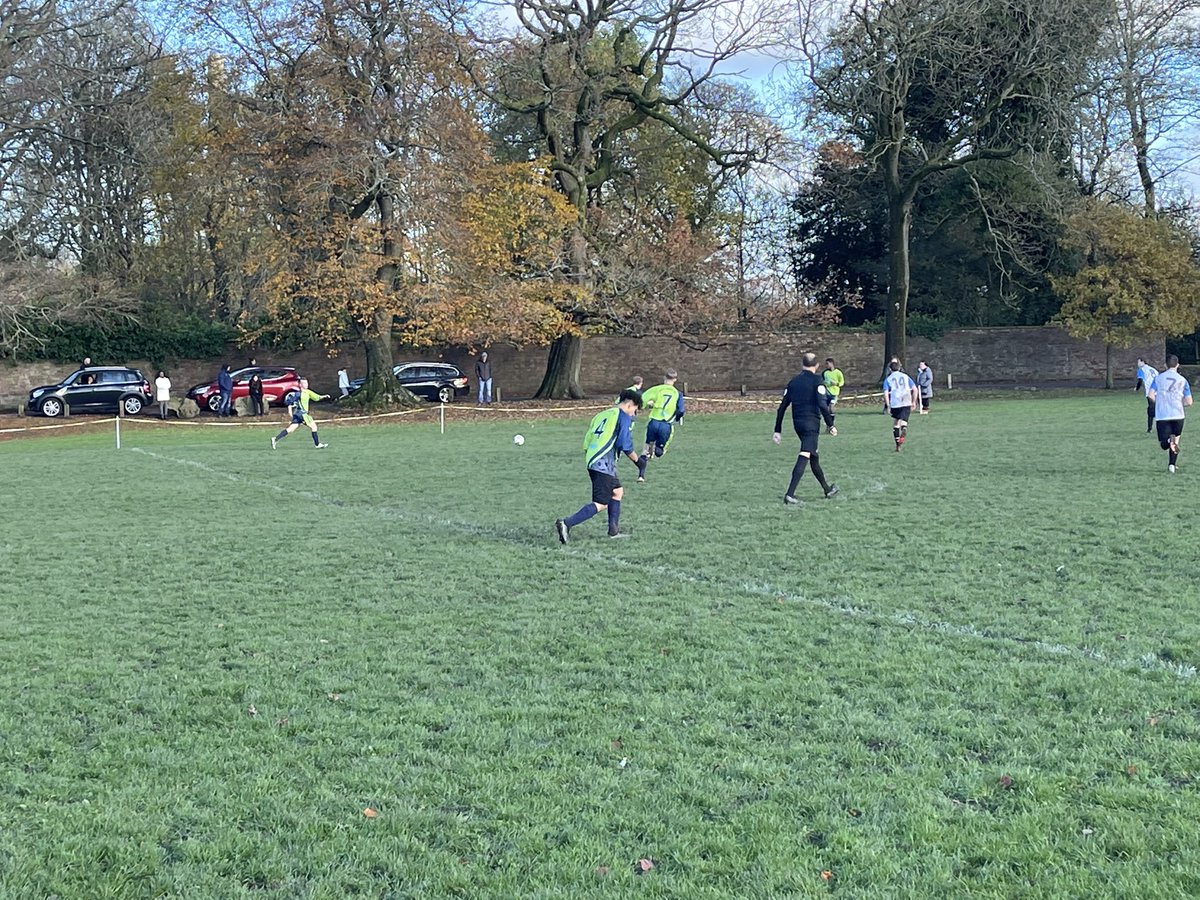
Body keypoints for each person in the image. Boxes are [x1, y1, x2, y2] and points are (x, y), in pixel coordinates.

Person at [556, 389, 643, 542]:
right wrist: (638, 462)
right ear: (630, 404)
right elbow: (624, 444)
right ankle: (567, 523)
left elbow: (587, 439)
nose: (633, 414)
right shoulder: (622, 417)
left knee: (617, 491)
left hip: (594, 458)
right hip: (603, 462)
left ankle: (613, 531)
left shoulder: (603, 414)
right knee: (601, 503)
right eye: (635, 410)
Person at [772, 352, 839, 503]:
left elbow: (782, 407)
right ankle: (790, 494)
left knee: (813, 456)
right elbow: (822, 405)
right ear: (816, 366)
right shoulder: (817, 381)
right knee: (805, 454)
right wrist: (831, 424)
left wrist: (778, 430)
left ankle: (827, 489)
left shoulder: (793, 382)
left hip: (798, 424)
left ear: (802, 364)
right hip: (811, 425)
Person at [635, 370, 685, 482]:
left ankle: (641, 476)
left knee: (645, 449)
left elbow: (642, 400)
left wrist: (645, 406)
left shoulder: (656, 389)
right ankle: (658, 450)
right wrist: (676, 417)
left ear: (664, 378)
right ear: (675, 380)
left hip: (653, 422)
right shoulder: (678, 393)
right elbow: (681, 410)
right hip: (666, 424)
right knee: (659, 452)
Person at [1148, 355, 1192, 473]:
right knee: (1175, 441)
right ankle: (1172, 465)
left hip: (1163, 415)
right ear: (1177, 365)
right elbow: (1189, 402)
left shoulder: (1158, 378)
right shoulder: (1183, 380)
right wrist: (1179, 402)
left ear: (1165, 365)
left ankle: (1168, 442)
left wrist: (1159, 402)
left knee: (1164, 444)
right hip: (1178, 415)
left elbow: (1151, 395)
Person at [272, 378, 330, 450]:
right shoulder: (298, 394)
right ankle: (317, 444)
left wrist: (324, 396)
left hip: (298, 414)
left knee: (291, 429)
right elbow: (289, 402)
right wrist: (289, 411)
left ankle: (275, 439)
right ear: (300, 385)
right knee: (314, 427)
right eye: (304, 383)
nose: (306, 384)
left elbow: (316, 397)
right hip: (302, 414)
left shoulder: (308, 392)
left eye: (307, 383)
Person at [883, 360, 919, 451]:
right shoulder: (906, 377)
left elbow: (886, 393)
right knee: (904, 421)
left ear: (890, 369)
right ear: (899, 368)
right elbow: (915, 389)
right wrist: (914, 401)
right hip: (906, 401)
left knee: (896, 422)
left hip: (896, 402)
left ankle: (897, 444)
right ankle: (904, 428)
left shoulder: (888, 379)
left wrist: (888, 405)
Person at [1135, 357, 1159, 434]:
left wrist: (1137, 388)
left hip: (1150, 392)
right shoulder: (1153, 369)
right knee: (1157, 409)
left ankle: (1150, 428)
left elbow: (1140, 380)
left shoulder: (1141, 370)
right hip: (1159, 391)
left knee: (1151, 410)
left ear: (1143, 362)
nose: (1137, 364)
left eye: (1138, 362)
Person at [823, 358, 844, 433]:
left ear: (832, 364)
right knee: (825, 410)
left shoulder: (838, 372)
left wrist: (837, 384)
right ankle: (828, 426)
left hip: (834, 393)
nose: (826, 365)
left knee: (831, 407)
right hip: (827, 393)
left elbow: (842, 382)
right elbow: (823, 382)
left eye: (827, 364)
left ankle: (832, 424)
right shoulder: (825, 373)